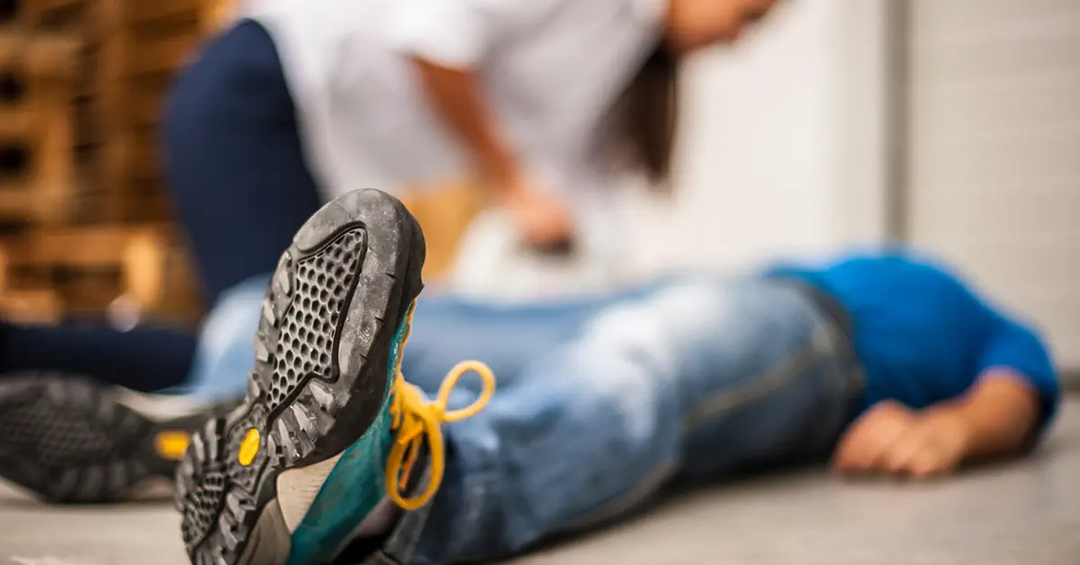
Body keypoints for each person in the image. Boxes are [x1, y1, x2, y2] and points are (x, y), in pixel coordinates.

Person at [0, 0, 777, 437]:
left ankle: (98, 394)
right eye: (747, 13)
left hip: (311, 134)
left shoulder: (626, 65)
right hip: (261, 91)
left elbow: (580, 210)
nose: (738, 38)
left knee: (279, 359)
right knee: (263, 355)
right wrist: (510, 182)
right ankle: (32, 359)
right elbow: (433, 34)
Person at [161, 189, 1059, 565]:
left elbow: (1022, 386)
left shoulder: (985, 319)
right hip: (709, 291)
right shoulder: (862, 262)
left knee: (638, 364)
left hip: (812, 337)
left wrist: (949, 428)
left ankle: (395, 491)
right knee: (456, 318)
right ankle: (225, 416)